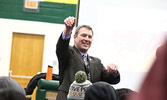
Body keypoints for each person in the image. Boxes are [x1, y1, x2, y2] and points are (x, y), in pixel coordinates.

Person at [56, 16, 120, 100]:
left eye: (89, 37)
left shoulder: (97, 62)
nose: (87, 39)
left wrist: (114, 72)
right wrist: (68, 30)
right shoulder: (69, 53)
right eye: (83, 35)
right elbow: (62, 47)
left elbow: (112, 80)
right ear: (75, 37)